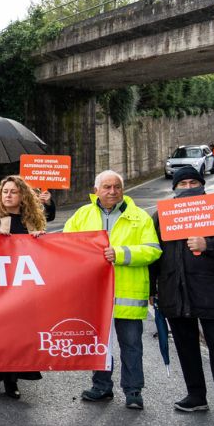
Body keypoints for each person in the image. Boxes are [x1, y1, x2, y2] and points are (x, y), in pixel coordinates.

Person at [150, 167, 214, 426]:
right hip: (174, 292)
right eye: (182, 183)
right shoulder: (161, 216)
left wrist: (210, 245)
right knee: (186, 347)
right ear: (174, 188)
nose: (188, 187)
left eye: (193, 182)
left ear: (202, 185)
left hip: (211, 292)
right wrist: (151, 289)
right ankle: (196, 396)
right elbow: (152, 253)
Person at [64, 170, 162, 410]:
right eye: (107, 187)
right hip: (96, 295)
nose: (112, 191)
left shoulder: (139, 217)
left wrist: (120, 254)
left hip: (128, 294)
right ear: (96, 190)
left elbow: (153, 250)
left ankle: (133, 391)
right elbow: (65, 244)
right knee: (100, 345)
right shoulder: (82, 215)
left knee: (132, 346)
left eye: (117, 187)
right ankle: (101, 387)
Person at [0, 176, 47, 399]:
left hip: (21, 287)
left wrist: (40, 239)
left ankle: (11, 381)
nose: (8, 195)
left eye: (14, 191)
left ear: (23, 195)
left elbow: (42, 256)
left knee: (15, 334)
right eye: (5, 191)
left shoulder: (32, 220)